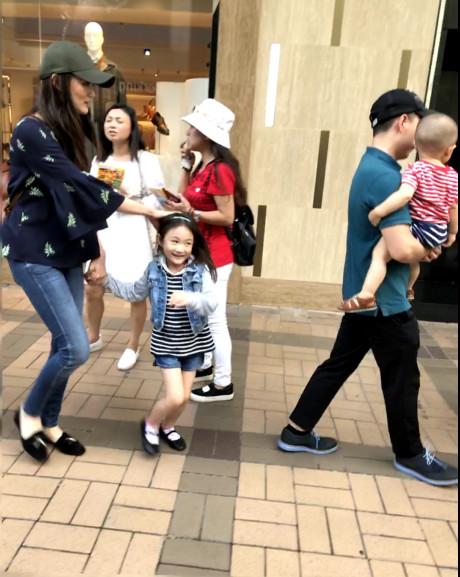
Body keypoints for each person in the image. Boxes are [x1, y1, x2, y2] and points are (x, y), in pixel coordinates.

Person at [278, 89, 458, 487]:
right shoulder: (386, 176)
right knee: (403, 377)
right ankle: (410, 454)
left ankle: (296, 430)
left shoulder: (375, 166)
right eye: (419, 123)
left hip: (366, 294)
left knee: (339, 364)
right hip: (385, 301)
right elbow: (401, 248)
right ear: (404, 122)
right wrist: (430, 249)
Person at [1, 41, 167, 463]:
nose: (91, 93)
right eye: (84, 84)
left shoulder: (68, 133)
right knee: (75, 347)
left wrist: (97, 252)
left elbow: (74, 202)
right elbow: (78, 185)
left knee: (63, 344)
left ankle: (50, 423)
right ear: (58, 83)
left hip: (69, 250)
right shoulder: (30, 130)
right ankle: (29, 413)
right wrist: (147, 209)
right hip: (33, 251)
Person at [104, 214, 218, 455]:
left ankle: (168, 426)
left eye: (187, 243)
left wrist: (191, 298)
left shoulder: (200, 270)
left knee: (184, 397)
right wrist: (106, 280)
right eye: (174, 241)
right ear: (161, 240)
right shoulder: (153, 270)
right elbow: (134, 293)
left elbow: (211, 303)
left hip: (195, 342)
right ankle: (151, 424)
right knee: (175, 396)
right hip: (166, 342)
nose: (180, 248)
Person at [165, 98, 247, 403]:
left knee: (215, 319)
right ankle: (209, 363)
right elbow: (183, 196)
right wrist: (186, 165)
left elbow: (226, 216)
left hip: (216, 256)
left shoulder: (221, 170)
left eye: (192, 128)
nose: (187, 131)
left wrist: (193, 212)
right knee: (202, 312)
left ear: (206, 134)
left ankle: (223, 383)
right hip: (202, 254)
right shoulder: (204, 166)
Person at [341, 113, 458, 312]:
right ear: (450, 150)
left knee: (379, 255)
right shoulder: (453, 176)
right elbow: (453, 207)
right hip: (438, 231)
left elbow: (404, 195)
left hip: (420, 227)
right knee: (414, 264)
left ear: (416, 144)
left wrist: (378, 211)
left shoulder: (416, 170)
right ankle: (409, 288)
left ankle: (366, 295)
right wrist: (452, 232)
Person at [85, 104, 166, 371]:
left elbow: (160, 199)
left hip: (134, 231)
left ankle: (133, 344)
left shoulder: (146, 160)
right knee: (92, 286)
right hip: (105, 230)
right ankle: (94, 336)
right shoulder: (99, 160)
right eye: (109, 120)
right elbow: (92, 198)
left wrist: (130, 195)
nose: (112, 125)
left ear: (132, 127)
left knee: (137, 292)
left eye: (119, 120)